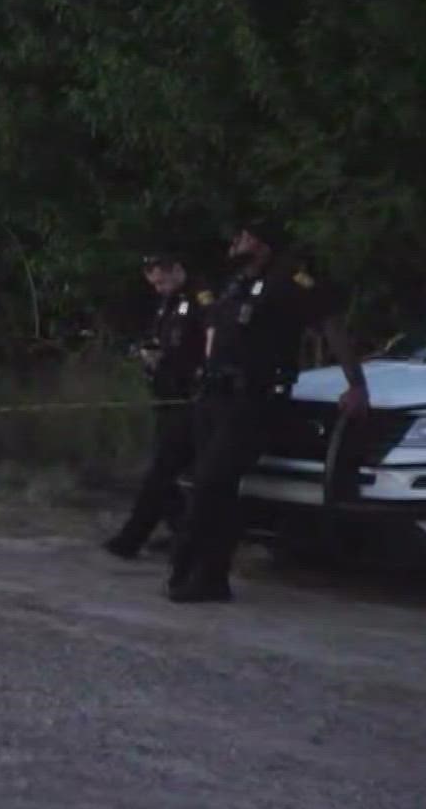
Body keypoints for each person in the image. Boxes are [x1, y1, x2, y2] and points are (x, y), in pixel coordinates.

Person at [166, 220, 369, 603]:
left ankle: (191, 565)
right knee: (210, 486)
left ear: (263, 244)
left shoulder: (288, 279)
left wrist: (356, 384)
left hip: (253, 398)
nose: (234, 242)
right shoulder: (233, 282)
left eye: (243, 236)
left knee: (213, 481)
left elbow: (330, 324)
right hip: (214, 395)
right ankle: (205, 576)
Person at [104, 253, 212, 559]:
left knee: (162, 472)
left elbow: (208, 343)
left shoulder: (201, 297)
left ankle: (131, 539)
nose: (158, 288)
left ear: (177, 269)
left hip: (189, 398)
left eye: (161, 280)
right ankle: (184, 533)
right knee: (167, 474)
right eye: (153, 283)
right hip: (166, 397)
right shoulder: (169, 302)